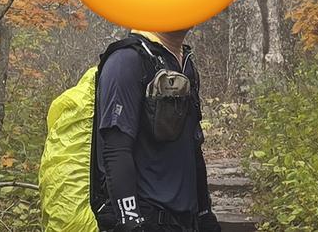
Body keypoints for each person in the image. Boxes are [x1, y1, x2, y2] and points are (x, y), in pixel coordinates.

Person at [94, 28, 222, 232]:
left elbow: (192, 147)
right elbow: (115, 149)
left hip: (185, 222)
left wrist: (204, 214)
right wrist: (131, 222)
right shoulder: (126, 61)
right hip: (148, 218)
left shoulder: (184, 63)